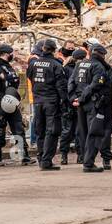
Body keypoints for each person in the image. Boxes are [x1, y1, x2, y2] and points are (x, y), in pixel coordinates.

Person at [0, 45, 33, 166]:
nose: (13, 55)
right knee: (0, 129)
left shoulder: (9, 67)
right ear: (6, 53)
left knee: (18, 127)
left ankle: (24, 156)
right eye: (11, 53)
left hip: (12, 101)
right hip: (1, 102)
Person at [77, 43, 112, 172]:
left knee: (100, 133)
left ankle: (103, 158)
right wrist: (80, 98)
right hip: (95, 105)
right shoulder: (96, 67)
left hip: (100, 105)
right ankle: (88, 161)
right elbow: (92, 85)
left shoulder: (107, 69)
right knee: (94, 133)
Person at [27, 38, 64, 171]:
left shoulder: (33, 63)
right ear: (54, 50)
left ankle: (41, 156)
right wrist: (64, 101)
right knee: (52, 131)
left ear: (43, 49)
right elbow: (60, 86)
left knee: (40, 130)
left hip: (38, 101)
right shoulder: (56, 65)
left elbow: (31, 78)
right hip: (51, 101)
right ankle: (46, 160)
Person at [59, 46, 87, 164]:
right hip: (74, 103)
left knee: (69, 130)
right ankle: (76, 155)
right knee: (76, 130)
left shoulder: (65, 68)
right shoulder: (73, 69)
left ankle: (66, 156)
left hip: (70, 103)